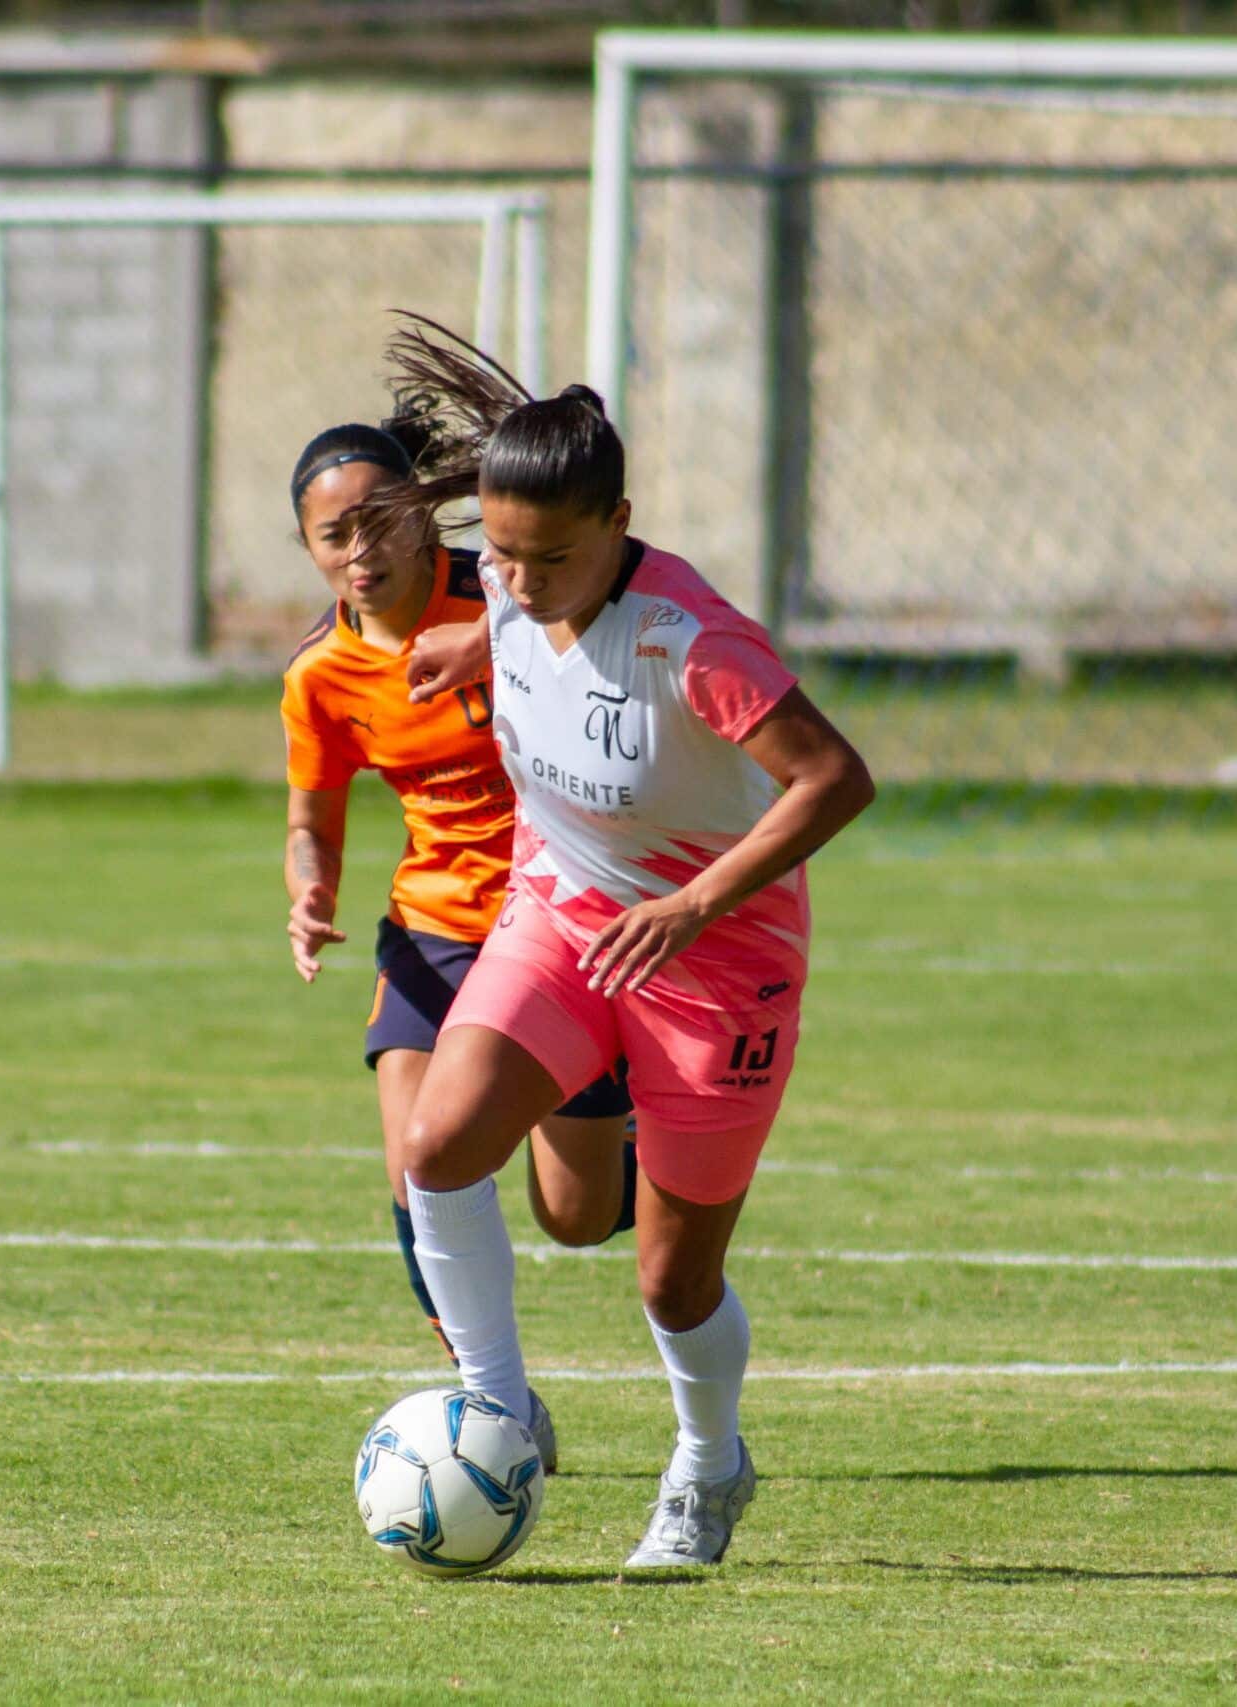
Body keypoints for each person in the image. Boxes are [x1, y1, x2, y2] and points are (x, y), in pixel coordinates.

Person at [351, 317, 876, 1568]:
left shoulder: (693, 643)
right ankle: (494, 1413)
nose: (518, 580)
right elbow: (528, 617)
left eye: (548, 559)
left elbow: (835, 779)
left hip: (716, 962)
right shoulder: (519, 586)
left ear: (619, 523)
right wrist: (484, 633)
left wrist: (695, 904)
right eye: (502, 555)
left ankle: (708, 1463)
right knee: (437, 1142)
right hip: (564, 916)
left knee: (669, 1283)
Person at [277, 404, 638, 1470]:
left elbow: (617, 601)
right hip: (432, 932)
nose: (359, 550)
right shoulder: (319, 677)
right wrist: (309, 888)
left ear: (426, 519)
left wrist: (493, 632)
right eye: (332, 534)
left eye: (379, 521)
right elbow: (311, 816)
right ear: (307, 550)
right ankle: (500, 1409)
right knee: (416, 1167)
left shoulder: (511, 584)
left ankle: (657, 1129)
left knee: (577, 1216)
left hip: (555, 920)